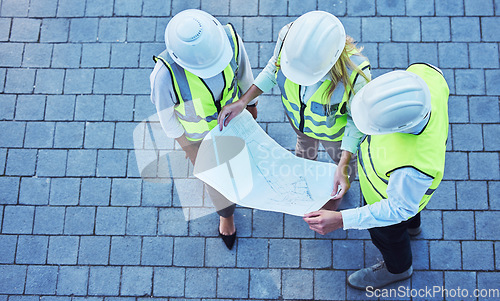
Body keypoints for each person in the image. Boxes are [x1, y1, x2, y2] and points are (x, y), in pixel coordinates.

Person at [303, 63, 450, 289]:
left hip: (385, 200)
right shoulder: (425, 75)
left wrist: (342, 220)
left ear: (399, 127)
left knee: (388, 236)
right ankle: (413, 228)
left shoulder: (413, 168)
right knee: (411, 215)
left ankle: (398, 269)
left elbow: (399, 208)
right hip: (405, 194)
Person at [218, 11, 371, 208]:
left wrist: (343, 162)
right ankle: (308, 186)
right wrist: (243, 101)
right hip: (299, 123)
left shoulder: (357, 74)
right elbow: (274, 68)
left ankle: (338, 191)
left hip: (335, 135)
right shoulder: (288, 37)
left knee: (343, 165)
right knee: (304, 154)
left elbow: (356, 120)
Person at [149, 9, 257, 249]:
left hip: (235, 124)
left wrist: (252, 114)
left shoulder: (230, 40)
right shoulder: (164, 77)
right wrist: (194, 154)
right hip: (201, 141)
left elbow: (245, 78)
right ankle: (226, 217)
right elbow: (169, 123)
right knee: (217, 183)